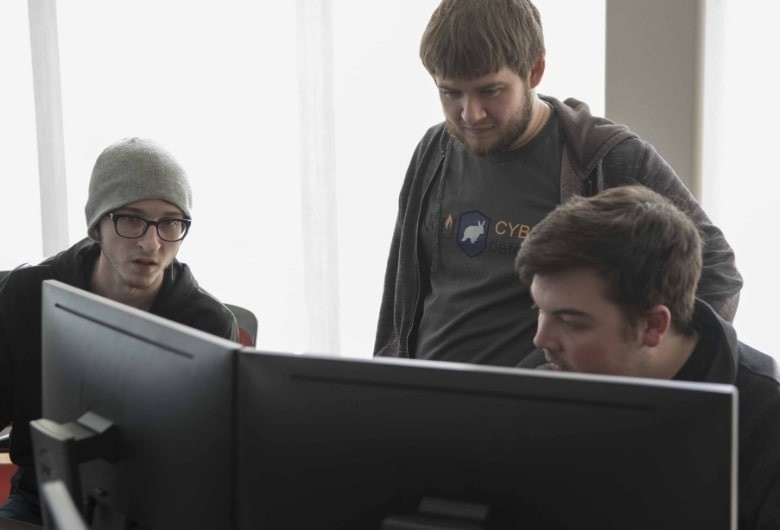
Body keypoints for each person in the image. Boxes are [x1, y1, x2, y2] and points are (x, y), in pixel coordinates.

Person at [373, 0, 743, 366]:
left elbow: (717, 271)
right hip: (425, 406)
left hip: (544, 414)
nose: (470, 113)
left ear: (535, 71)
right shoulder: (434, 150)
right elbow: (401, 294)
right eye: (451, 92)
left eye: (490, 91)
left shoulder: (605, 158)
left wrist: (653, 373)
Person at [0, 137, 239, 525]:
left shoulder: (207, 323)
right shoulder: (28, 295)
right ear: (97, 225)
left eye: (170, 223)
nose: (151, 242)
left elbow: (213, 461)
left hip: (155, 514)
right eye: (131, 218)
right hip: (41, 501)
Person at [514, 185, 780, 529]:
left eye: (569, 322)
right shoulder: (536, 381)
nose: (541, 339)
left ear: (653, 325)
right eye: (540, 310)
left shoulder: (767, 424)